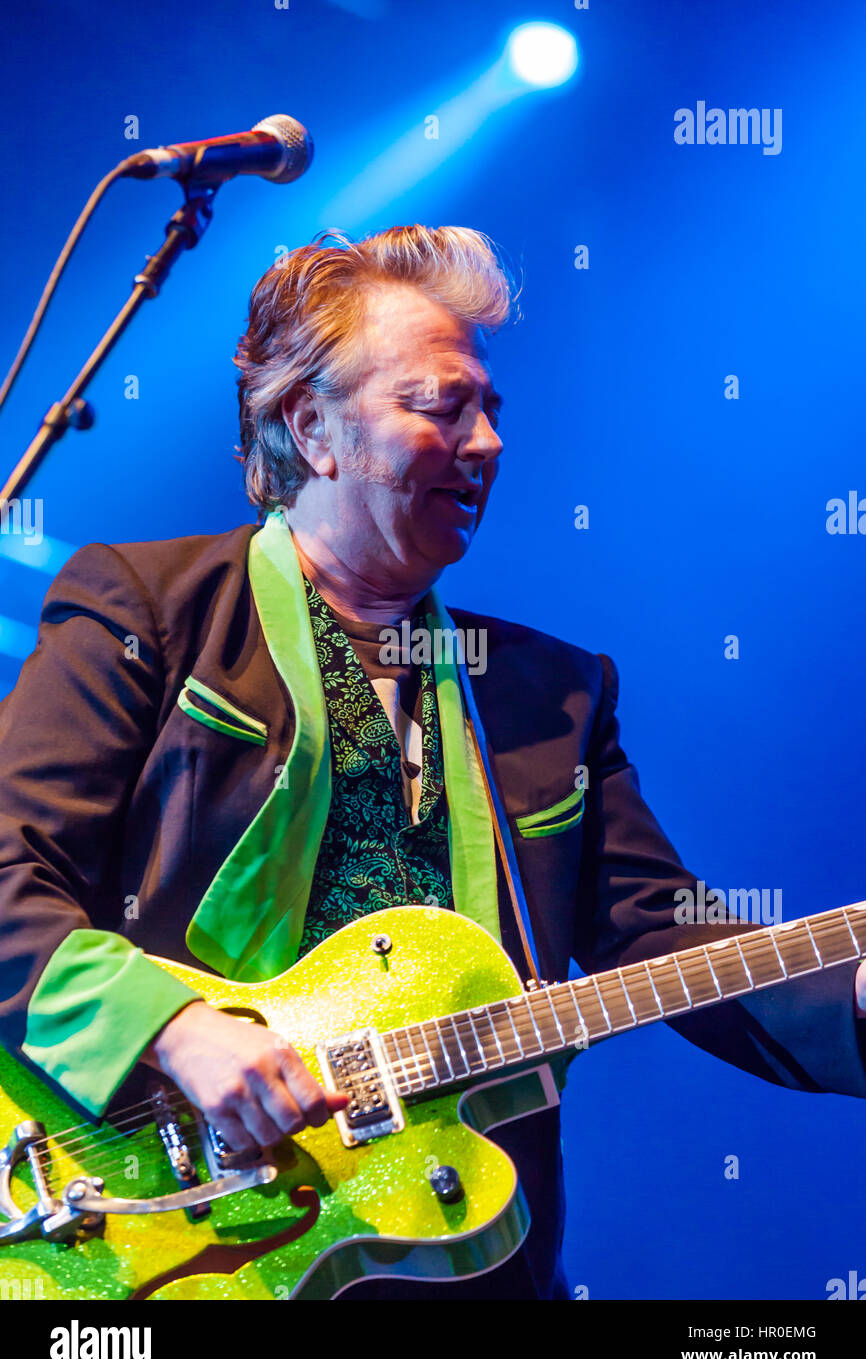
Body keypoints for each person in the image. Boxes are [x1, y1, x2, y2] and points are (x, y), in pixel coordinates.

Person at [0, 224, 864, 1301]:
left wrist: (854, 988)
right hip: (151, 1227)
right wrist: (174, 1031)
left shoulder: (550, 690)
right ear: (311, 427)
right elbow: (6, 876)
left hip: (465, 1249)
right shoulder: (152, 610)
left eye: (491, 408)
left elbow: (660, 931)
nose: (487, 439)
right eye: (440, 404)